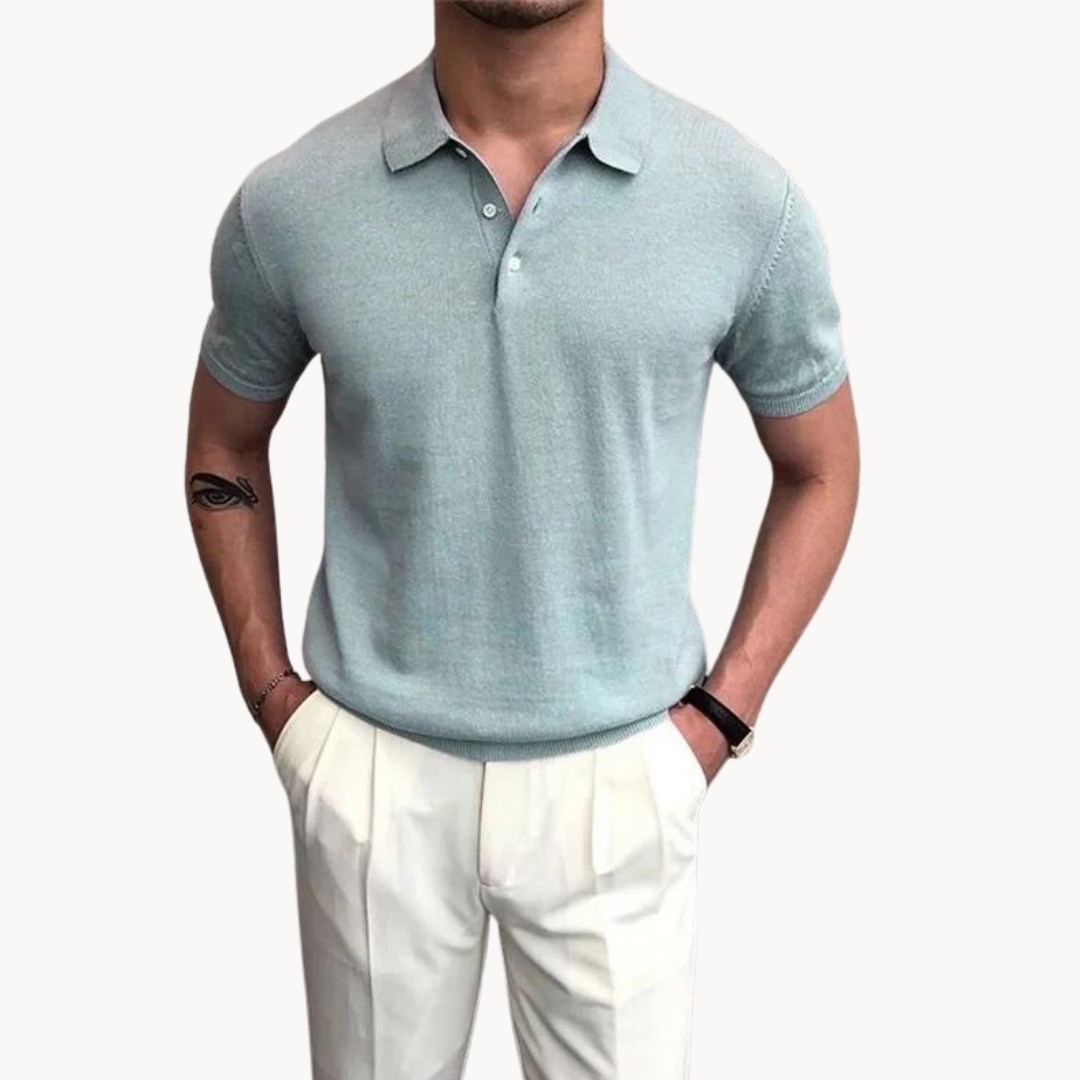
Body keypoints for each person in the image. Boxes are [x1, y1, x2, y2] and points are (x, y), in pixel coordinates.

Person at [185, 1, 860, 1076]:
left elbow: (820, 467)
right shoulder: (295, 202)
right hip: (372, 777)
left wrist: (719, 719)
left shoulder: (741, 202)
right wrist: (277, 702)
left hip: (623, 775)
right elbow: (225, 445)